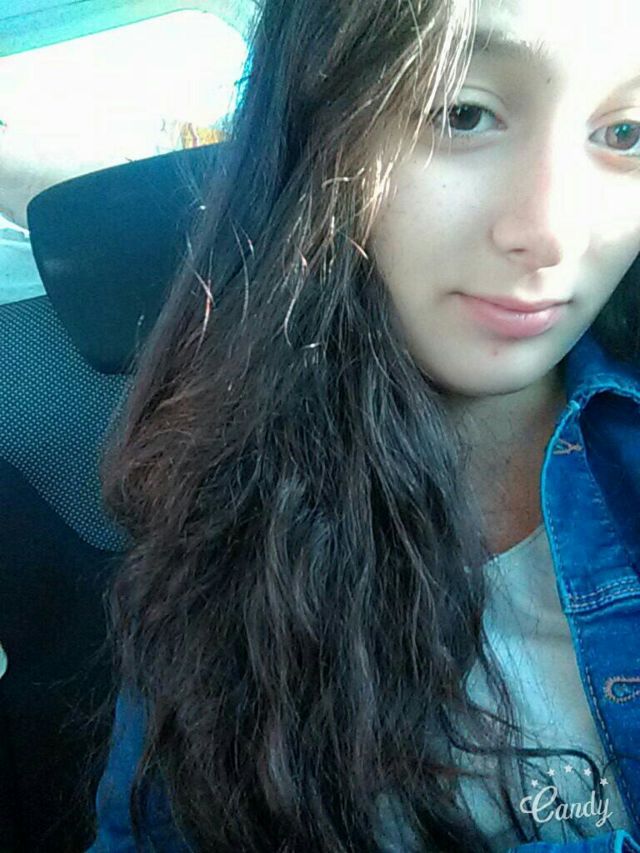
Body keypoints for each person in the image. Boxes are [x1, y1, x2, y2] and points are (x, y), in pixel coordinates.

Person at [86, 0, 640, 849]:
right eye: (462, 114)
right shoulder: (218, 519)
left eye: (626, 133)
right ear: (320, 132)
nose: (551, 234)